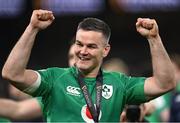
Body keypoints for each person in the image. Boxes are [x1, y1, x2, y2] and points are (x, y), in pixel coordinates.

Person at [2, 9, 176, 122]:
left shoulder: (119, 83)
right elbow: (12, 74)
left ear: (105, 50)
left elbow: (165, 83)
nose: (83, 51)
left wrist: (154, 39)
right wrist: (32, 28)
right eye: (79, 44)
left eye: (91, 46)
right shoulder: (54, 79)